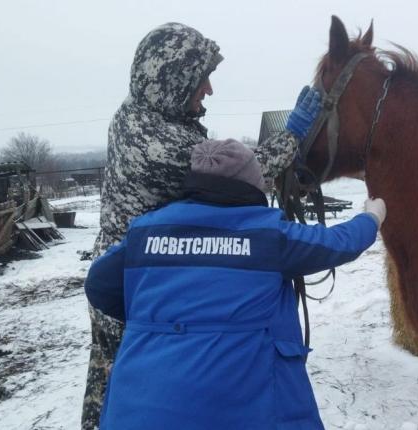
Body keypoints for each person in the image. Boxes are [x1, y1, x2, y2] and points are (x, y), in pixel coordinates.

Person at [83, 22, 323, 429]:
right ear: (175, 80)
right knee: (130, 390)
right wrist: (293, 134)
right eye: (202, 78)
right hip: (139, 282)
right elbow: (245, 171)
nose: (209, 88)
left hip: (148, 272)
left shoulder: (143, 113)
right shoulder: (154, 141)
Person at [85, 139, 386, 429]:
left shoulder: (145, 232)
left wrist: (154, 320)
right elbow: (337, 242)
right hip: (245, 412)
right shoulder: (266, 236)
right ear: (250, 184)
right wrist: (371, 218)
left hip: (137, 410)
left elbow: (98, 284)